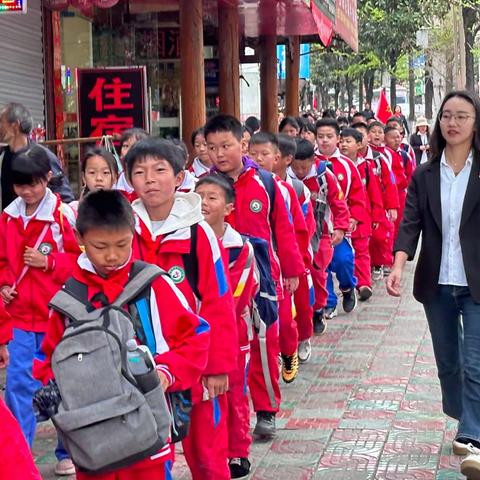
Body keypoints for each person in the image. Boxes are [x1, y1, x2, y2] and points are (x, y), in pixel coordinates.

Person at [33, 189, 211, 480]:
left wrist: (166, 372)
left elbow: (196, 335)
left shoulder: (151, 284)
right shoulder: (68, 300)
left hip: (148, 432)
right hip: (92, 439)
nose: (112, 256)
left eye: (122, 244)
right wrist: (54, 394)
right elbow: (47, 360)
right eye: (100, 246)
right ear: (79, 240)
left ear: (134, 233)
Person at [126, 138, 237, 480]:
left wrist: (218, 368)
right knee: (145, 457)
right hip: (139, 364)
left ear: (179, 177)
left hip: (194, 362)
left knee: (206, 456)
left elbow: (219, 302)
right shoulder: (123, 229)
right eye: (140, 172)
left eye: (160, 170)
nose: (150, 179)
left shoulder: (197, 234)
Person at [386, 90, 480, 479]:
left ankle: (473, 436)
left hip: (477, 282)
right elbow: (411, 223)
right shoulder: (425, 173)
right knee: (449, 363)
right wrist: (398, 264)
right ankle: (466, 417)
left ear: (475, 123)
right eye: (446, 116)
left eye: (462, 116)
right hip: (437, 281)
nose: (453, 123)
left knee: (475, 361)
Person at [204, 114, 304, 438]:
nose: (219, 153)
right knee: (224, 348)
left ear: (242, 144)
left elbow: (284, 231)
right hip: (218, 281)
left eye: (226, 146)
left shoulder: (267, 183)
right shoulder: (204, 188)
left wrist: (291, 271)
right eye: (212, 147)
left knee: (263, 344)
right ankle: (227, 418)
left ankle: (266, 410)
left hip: (262, 280)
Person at [0, 145, 80, 476]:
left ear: (48, 178)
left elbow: (81, 262)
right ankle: (18, 456)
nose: (28, 192)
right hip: (18, 316)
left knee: (62, 385)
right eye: (21, 185)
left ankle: (67, 451)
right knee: (18, 386)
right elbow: (3, 261)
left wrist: (49, 262)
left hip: (55, 316)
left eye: (34, 183)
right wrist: (4, 283)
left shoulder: (64, 215)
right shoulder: (7, 217)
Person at [195, 174, 257, 479]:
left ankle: (238, 451)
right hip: (193, 337)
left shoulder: (240, 248)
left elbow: (233, 296)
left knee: (234, 394)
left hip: (233, 335)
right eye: (199, 196)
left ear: (229, 207)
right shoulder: (186, 240)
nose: (204, 203)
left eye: (212, 197)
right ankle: (214, 455)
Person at [249, 132, 310, 382]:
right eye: (253, 154)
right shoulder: (230, 186)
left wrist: (293, 269)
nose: (259, 159)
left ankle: (289, 352)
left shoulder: (282, 189)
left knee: (284, 320)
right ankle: (265, 367)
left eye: (264, 154)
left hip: (276, 269)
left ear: (278, 157)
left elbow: (293, 232)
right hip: (245, 268)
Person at [0, 102, 74, 210]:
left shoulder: (43, 157)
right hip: (9, 223)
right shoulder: (3, 157)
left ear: (15, 125)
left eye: (1, 122)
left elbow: (65, 198)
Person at [339, 128, 384, 301]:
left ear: (359, 145)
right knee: (345, 255)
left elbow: (375, 193)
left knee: (362, 251)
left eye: (348, 141)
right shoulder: (334, 165)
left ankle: (364, 284)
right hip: (341, 218)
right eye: (342, 140)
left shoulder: (366, 166)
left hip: (362, 217)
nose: (344, 144)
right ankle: (349, 282)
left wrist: (377, 216)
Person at [70, 147, 119, 211]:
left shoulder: (122, 210)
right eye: (92, 172)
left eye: (105, 172)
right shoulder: (72, 210)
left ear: (115, 177)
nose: (99, 178)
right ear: (83, 177)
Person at [115, 127, 148, 196]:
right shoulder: (113, 181)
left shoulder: (152, 182)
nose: (130, 150)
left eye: (135, 146)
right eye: (126, 146)